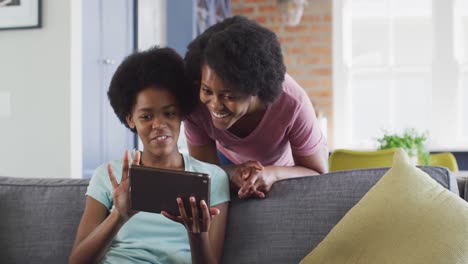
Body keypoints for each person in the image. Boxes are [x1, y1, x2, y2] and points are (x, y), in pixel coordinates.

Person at [69, 47, 230, 264]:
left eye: (169, 113)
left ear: (181, 114)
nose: (159, 124)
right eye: (146, 116)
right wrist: (119, 216)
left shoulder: (212, 177)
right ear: (130, 119)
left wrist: (196, 233)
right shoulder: (109, 175)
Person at [184, 15, 328, 200]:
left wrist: (272, 174)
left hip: (287, 168)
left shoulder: (293, 103)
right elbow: (204, 173)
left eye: (229, 96)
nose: (215, 104)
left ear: (255, 89)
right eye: (207, 91)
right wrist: (230, 173)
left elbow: (317, 173)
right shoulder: (194, 103)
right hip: (226, 161)